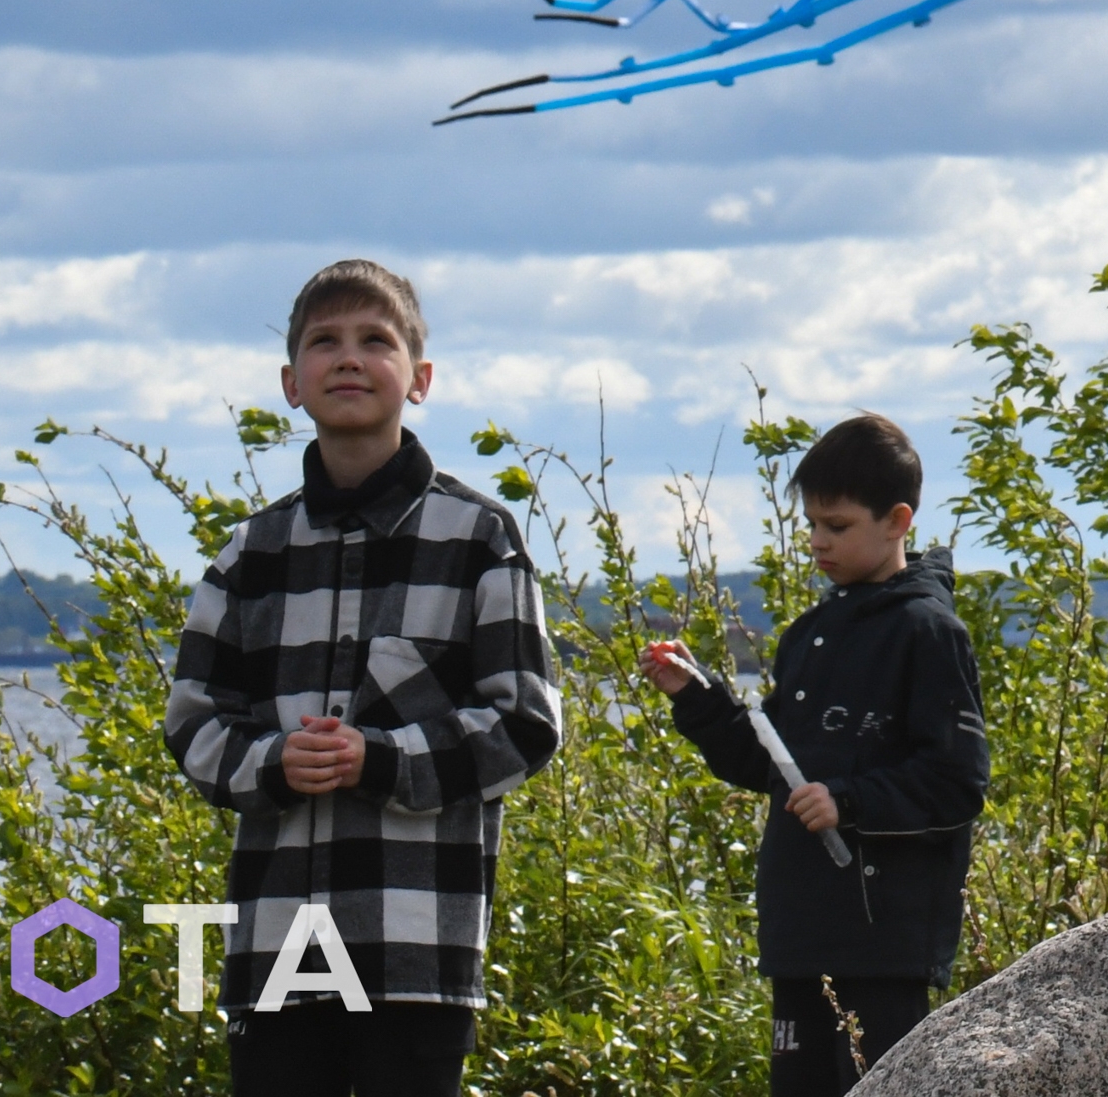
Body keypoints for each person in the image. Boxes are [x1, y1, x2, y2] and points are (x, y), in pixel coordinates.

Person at [165, 260, 567, 1097]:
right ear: (290, 383)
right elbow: (194, 723)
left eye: (375, 340)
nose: (349, 357)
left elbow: (526, 723)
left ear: (418, 378)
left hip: (415, 943)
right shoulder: (250, 555)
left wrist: (377, 759)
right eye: (325, 341)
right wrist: (271, 764)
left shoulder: (479, 537)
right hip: (276, 945)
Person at [642, 413, 990, 1094]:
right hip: (802, 934)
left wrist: (849, 801)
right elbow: (769, 765)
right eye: (810, 524)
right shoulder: (814, 632)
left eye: (836, 525)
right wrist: (699, 695)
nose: (817, 541)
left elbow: (957, 781)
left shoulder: (929, 632)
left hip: (884, 943)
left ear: (897, 520)